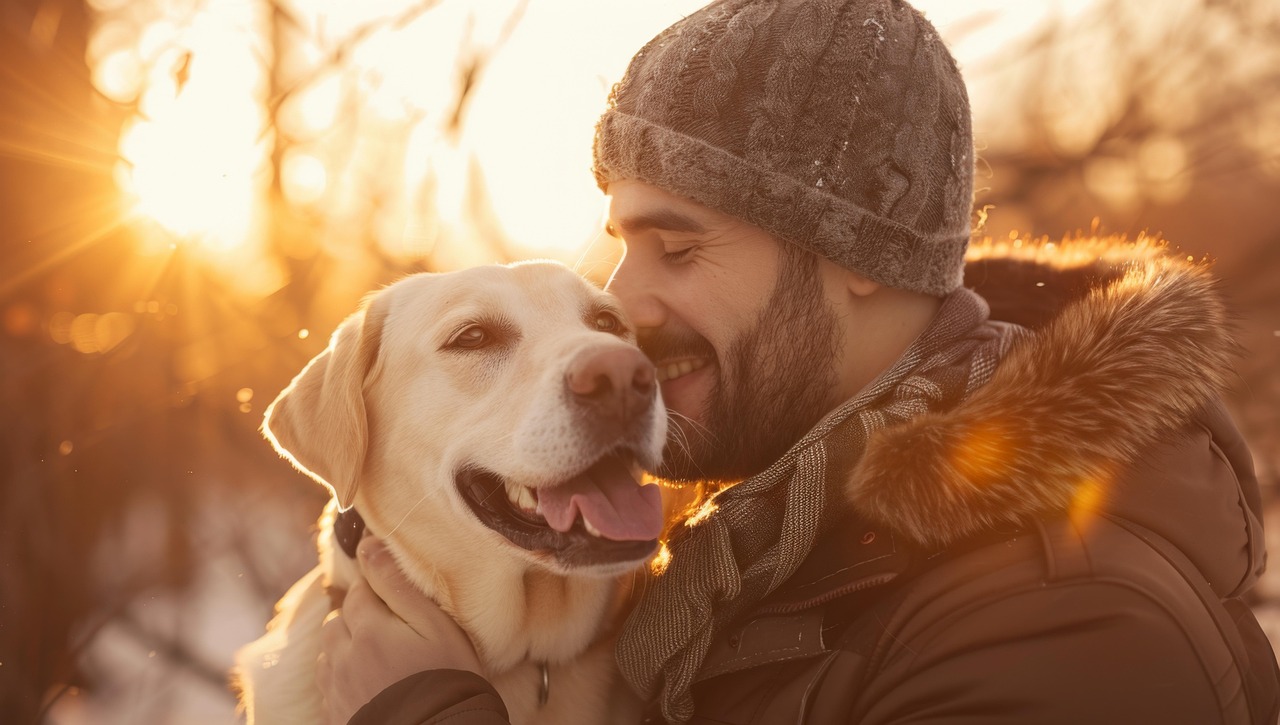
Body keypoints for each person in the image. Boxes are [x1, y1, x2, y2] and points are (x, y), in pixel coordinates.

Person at [315, 0, 1280, 722]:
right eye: (621, 242)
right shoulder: (759, 539)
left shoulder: (1068, 625)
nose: (624, 310)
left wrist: (421, 712)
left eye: (679, 248)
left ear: (856, 255)